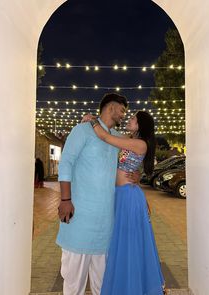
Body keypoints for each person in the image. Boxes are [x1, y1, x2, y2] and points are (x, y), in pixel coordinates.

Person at [57, 93, 133, 295]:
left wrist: (136, 174)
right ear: (111, 108)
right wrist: (65, 199)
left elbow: (137, 150)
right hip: (80, 217)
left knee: (103, 284)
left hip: (105, 223)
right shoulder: (81, 130)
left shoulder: (116, 138)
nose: (124, 115)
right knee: (74, 283)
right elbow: (66, 163)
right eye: (122, 110)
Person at [89, 111, 166, 295]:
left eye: (133, 119)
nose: (129, 120)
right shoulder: (131, 139)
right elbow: (111, 135)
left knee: (129, 243)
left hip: (129, 198)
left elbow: (105, 136)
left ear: (140, 125)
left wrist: (92, 120)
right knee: (122, 243)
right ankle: (125, 286)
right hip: (122, 195)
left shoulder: (139, 144)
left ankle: (133, 288)